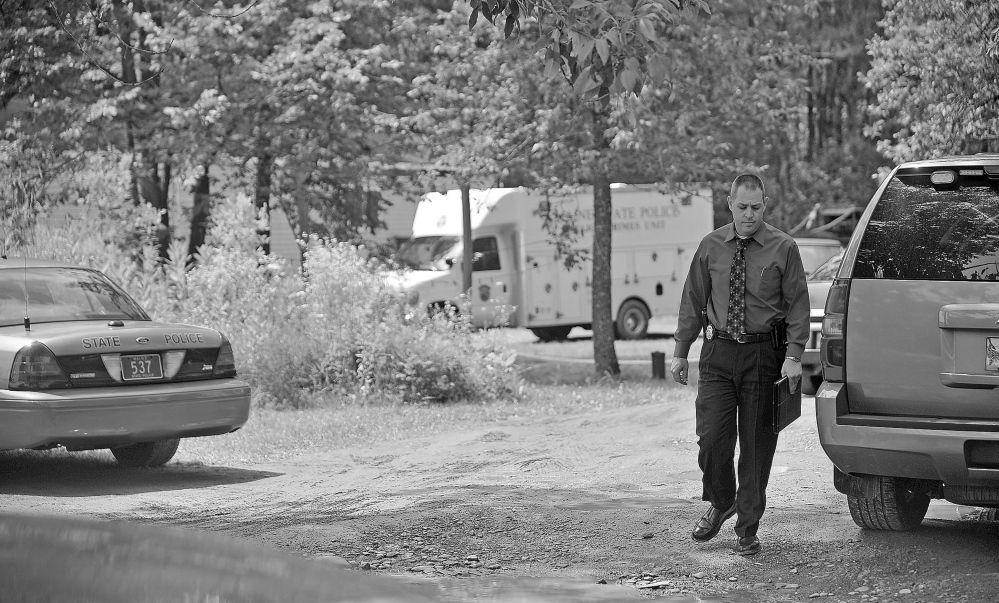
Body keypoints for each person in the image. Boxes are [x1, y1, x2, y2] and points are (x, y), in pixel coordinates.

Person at [669, 174, 808, 556]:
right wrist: (681, 349)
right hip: (717, 353)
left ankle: (747, 528)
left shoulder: (784, 247)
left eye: (756, 207)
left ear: (765, 204)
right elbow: (692, 298)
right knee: (712, 438)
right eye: (742, 206)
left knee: (757, 445)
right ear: (729, 202)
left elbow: (797, 305)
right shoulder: (711, 246)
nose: (749, 215)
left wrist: (794, 356)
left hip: (764, 355)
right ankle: (722, 498)